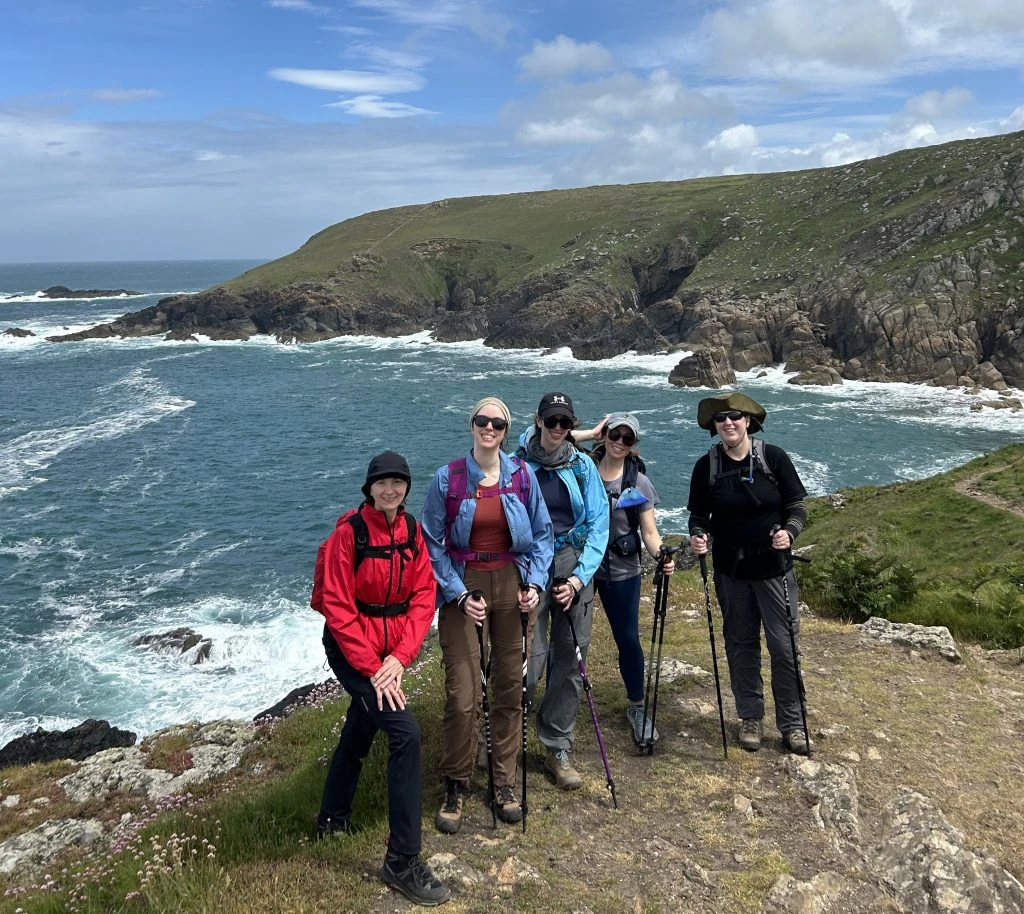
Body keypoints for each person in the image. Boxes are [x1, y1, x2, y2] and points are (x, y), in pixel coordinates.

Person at [310, 451, 450, 907]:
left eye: (398, 482)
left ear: (407, 488)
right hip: (351, 651)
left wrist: (401, 658)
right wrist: (374, 668)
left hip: (389, 654)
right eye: (382, 483)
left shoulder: (410, 533)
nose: (390, 490)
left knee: (362, 724)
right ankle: (402, 860)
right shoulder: (348, 537)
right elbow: (337, 606)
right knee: (406, 734)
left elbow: (423, 595)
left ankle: (331, 818)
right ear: (369, 488)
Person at [421, 397, 553, 832]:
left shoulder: (522, 476)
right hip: (465, 587)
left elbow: (541, 536)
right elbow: (432, 543)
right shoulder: (448, 479)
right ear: (471, 425)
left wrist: (533, 584)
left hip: (511, 588)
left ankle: (503, 782)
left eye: (498, 423)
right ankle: (456, 783)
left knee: (509, 688)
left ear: (506, 430)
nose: (489, 427)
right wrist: (458, 594)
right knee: (462, 695)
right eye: (483, 420)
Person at [685, 393, 811, 755]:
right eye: (721, 419)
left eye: (735, 417)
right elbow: (698, 517)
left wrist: (791, 532)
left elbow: (797, 506)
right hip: (731, 571)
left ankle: (793, 723)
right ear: (714, 427)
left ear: (748, 422)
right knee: (741, 645)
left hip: (774, 570)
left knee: (784, 648)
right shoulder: (705, 467)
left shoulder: (773, 458)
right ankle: (750, 718)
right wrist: (698, 536)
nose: (728, 423)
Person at [517, 392, 609, 790]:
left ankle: (557, 744)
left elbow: (599, 526)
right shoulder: (516, 465)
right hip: (529, 565)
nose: (557, 429)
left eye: (565, 423)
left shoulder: (584, 466)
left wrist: (576, 581)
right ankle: (505, 743)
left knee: (570, 658)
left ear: (572, 427)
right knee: (527, 659)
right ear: (538, 420)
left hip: (573, 563)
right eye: (551, 421)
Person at [589, 412, 675, 744]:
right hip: (582, 569)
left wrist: (661, 553)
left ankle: (637, 706)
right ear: (605, 434)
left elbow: (650, 532)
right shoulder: (583, 469)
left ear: (633, 444)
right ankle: (557, 705)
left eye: (627, 438)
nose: (619, 442)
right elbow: (541, 441)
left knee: (627, 639)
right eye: (614, 434)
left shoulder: (637, 482)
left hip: (622, 570)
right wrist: (589, 432)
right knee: (569, 643)